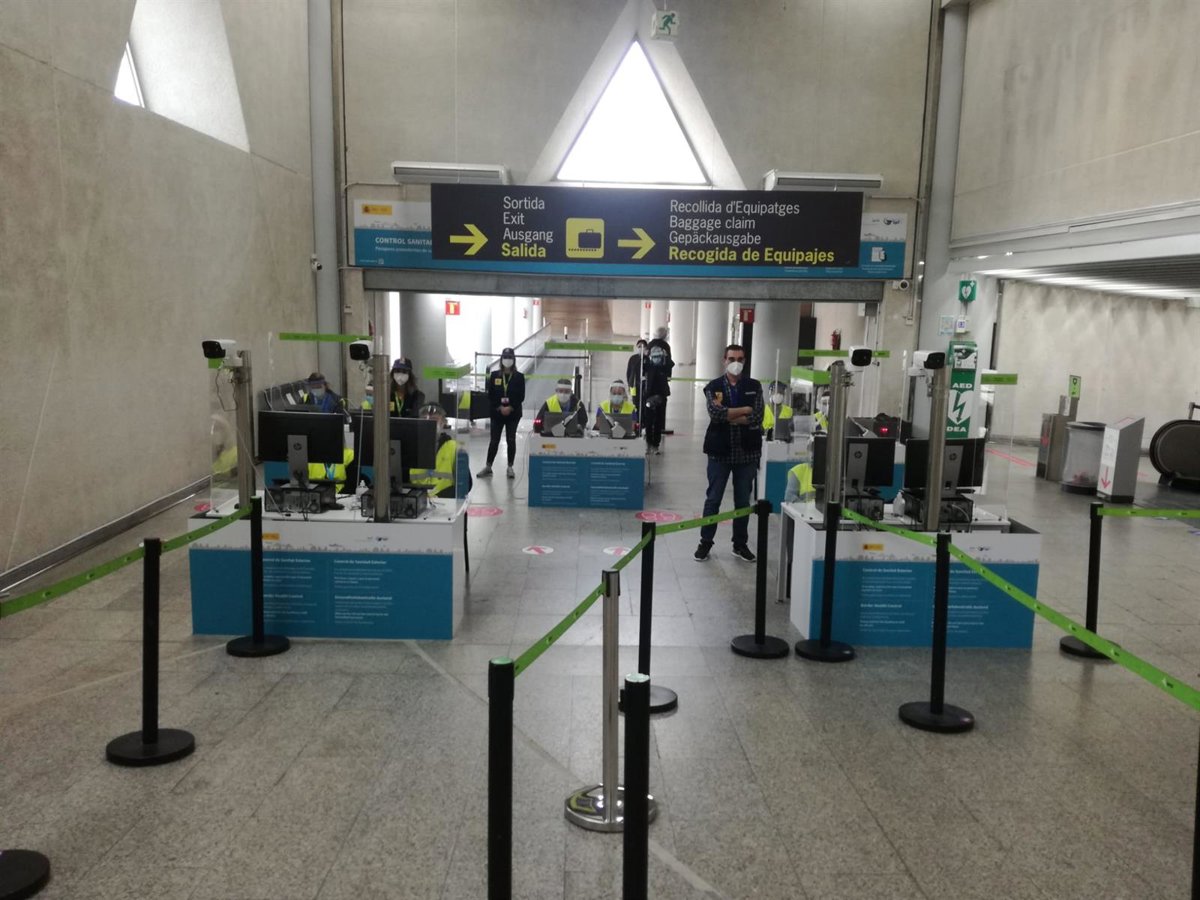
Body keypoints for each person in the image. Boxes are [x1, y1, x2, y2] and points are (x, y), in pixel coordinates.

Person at [695, 344, 763, 563]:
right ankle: (705, 542)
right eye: (732, 358)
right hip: (719, 453)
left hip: (747, 453)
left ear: (745, 361)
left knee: (743, 501)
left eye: (740, 359)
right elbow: (715, 414)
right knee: (713, 499)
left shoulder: (754, 386)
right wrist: (744, 410)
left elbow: (758, 416)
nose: (736, 363)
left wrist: (729, 416)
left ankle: (740, 544)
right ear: (724, 360)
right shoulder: (713, 386)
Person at [479, 347, 525, 478]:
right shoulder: (494, 376)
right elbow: (490, 395)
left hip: (513, 414)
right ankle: (488, 466)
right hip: (497, 413)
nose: (507, 360)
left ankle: (510, 467)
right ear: (501, 359)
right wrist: (500, 407)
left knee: (511, 439)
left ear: (514, 359)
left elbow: (521, 396)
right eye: (505, 357)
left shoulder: (519, 377)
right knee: (494, 440)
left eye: (510, 357)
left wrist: (510, 407)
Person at [410, 403, 471, 498]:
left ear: (443, 422)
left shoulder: (455, 448)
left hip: (445, 501)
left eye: (434, 419)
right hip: (416, 500)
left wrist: (443, 496)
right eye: (424, 419)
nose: (429, 423)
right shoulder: (411, 447)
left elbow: (465, 484)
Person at [641, 339, 673, 454]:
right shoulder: (648, 365)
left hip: (661, 395)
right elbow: (641, 368)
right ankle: (649, 443)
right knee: (649, 421)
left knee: (658, 421)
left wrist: (666, 357)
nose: (656, 358)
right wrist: (645, 356)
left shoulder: (664, 365)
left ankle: (655, 445)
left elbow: (670, 366)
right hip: (649, 395)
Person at [626, 339, 648, 406]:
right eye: (639, 346)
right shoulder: (633, 358)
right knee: (635, 402)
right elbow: (629, 372)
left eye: (643, 346)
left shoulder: (647, 359)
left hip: (644, 385)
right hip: (633, 385)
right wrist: (629, 385)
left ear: (646, 348)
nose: (641, 348)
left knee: (643, 402)